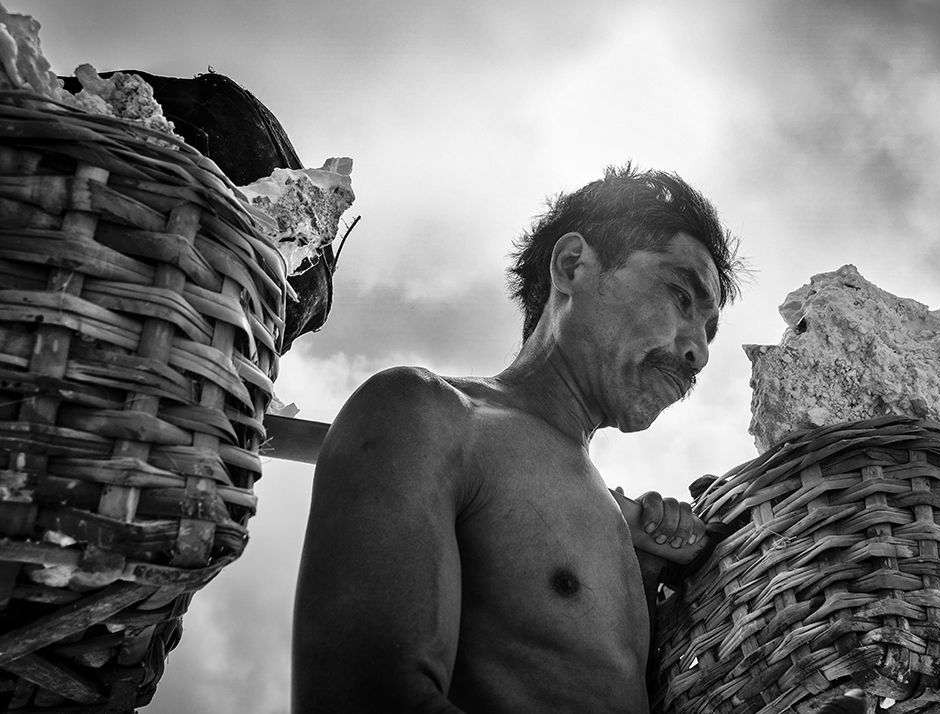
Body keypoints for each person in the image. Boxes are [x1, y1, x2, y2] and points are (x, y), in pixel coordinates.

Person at [291, 165, 864, 714]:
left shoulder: (619, 521)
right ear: (571, 266)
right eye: (680, 297)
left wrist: (652, 585)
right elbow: (365, 700)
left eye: (709, 332)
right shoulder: (426, 415)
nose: (699, 352)